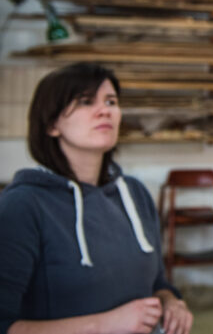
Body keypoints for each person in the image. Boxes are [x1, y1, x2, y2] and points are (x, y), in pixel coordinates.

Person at [0, 63, 193, 334]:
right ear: (52, 124)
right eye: (85, 102)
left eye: (111, 101)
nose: (105, 110)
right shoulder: (22, 205)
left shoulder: (135, 194)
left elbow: (157, 281)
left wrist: (171, 301)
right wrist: (104, 325)